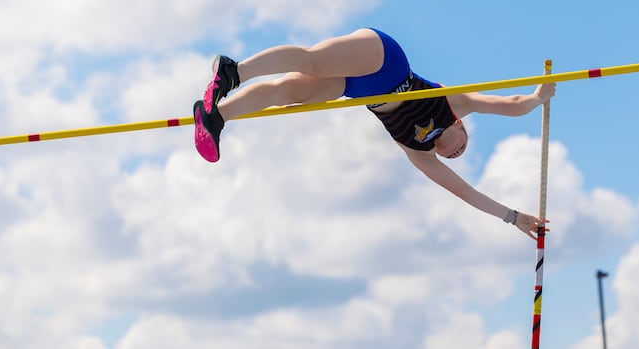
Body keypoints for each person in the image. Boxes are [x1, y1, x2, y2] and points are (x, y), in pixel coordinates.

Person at [194, 28, 555, 240]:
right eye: (464, 146)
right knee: (312, 60)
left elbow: (465, 192)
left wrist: (512, 216)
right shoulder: (454, 106)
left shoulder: (419, 152)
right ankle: (234, 71)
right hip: (385, 60)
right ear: (460, 128)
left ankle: (216, 116)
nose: (457, 154)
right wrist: (539, 97)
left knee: (289, 93)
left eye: (454, 156)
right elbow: (512, 104)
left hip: (358, 88)